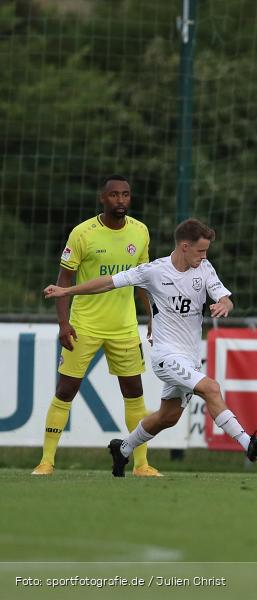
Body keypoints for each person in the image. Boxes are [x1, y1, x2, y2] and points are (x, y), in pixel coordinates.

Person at [43, 219, 257, 476]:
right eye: (200, 251)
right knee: (211, 388)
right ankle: (248, 443)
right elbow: (107, 282)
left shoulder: (205, 268)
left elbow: (226, 299)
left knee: (167, 417)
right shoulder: (154, 271)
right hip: (166, 356)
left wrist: (224, 305)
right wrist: (66, 291)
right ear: (184, 246)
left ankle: (123, 449)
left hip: (190, 358)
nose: (204, 256)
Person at [32, 175, 160, 477]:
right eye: (114, 195)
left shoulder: (140, 231)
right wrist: (64, 324)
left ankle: (141, 464)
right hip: (84, 325)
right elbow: (64, 280)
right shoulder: (82, 233)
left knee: (134, 392)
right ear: (103, 198)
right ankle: (46, 461)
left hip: (124, 327)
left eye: (125, 194)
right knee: (66, 389)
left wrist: (154, 318)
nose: (120, 200)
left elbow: (144, 279)